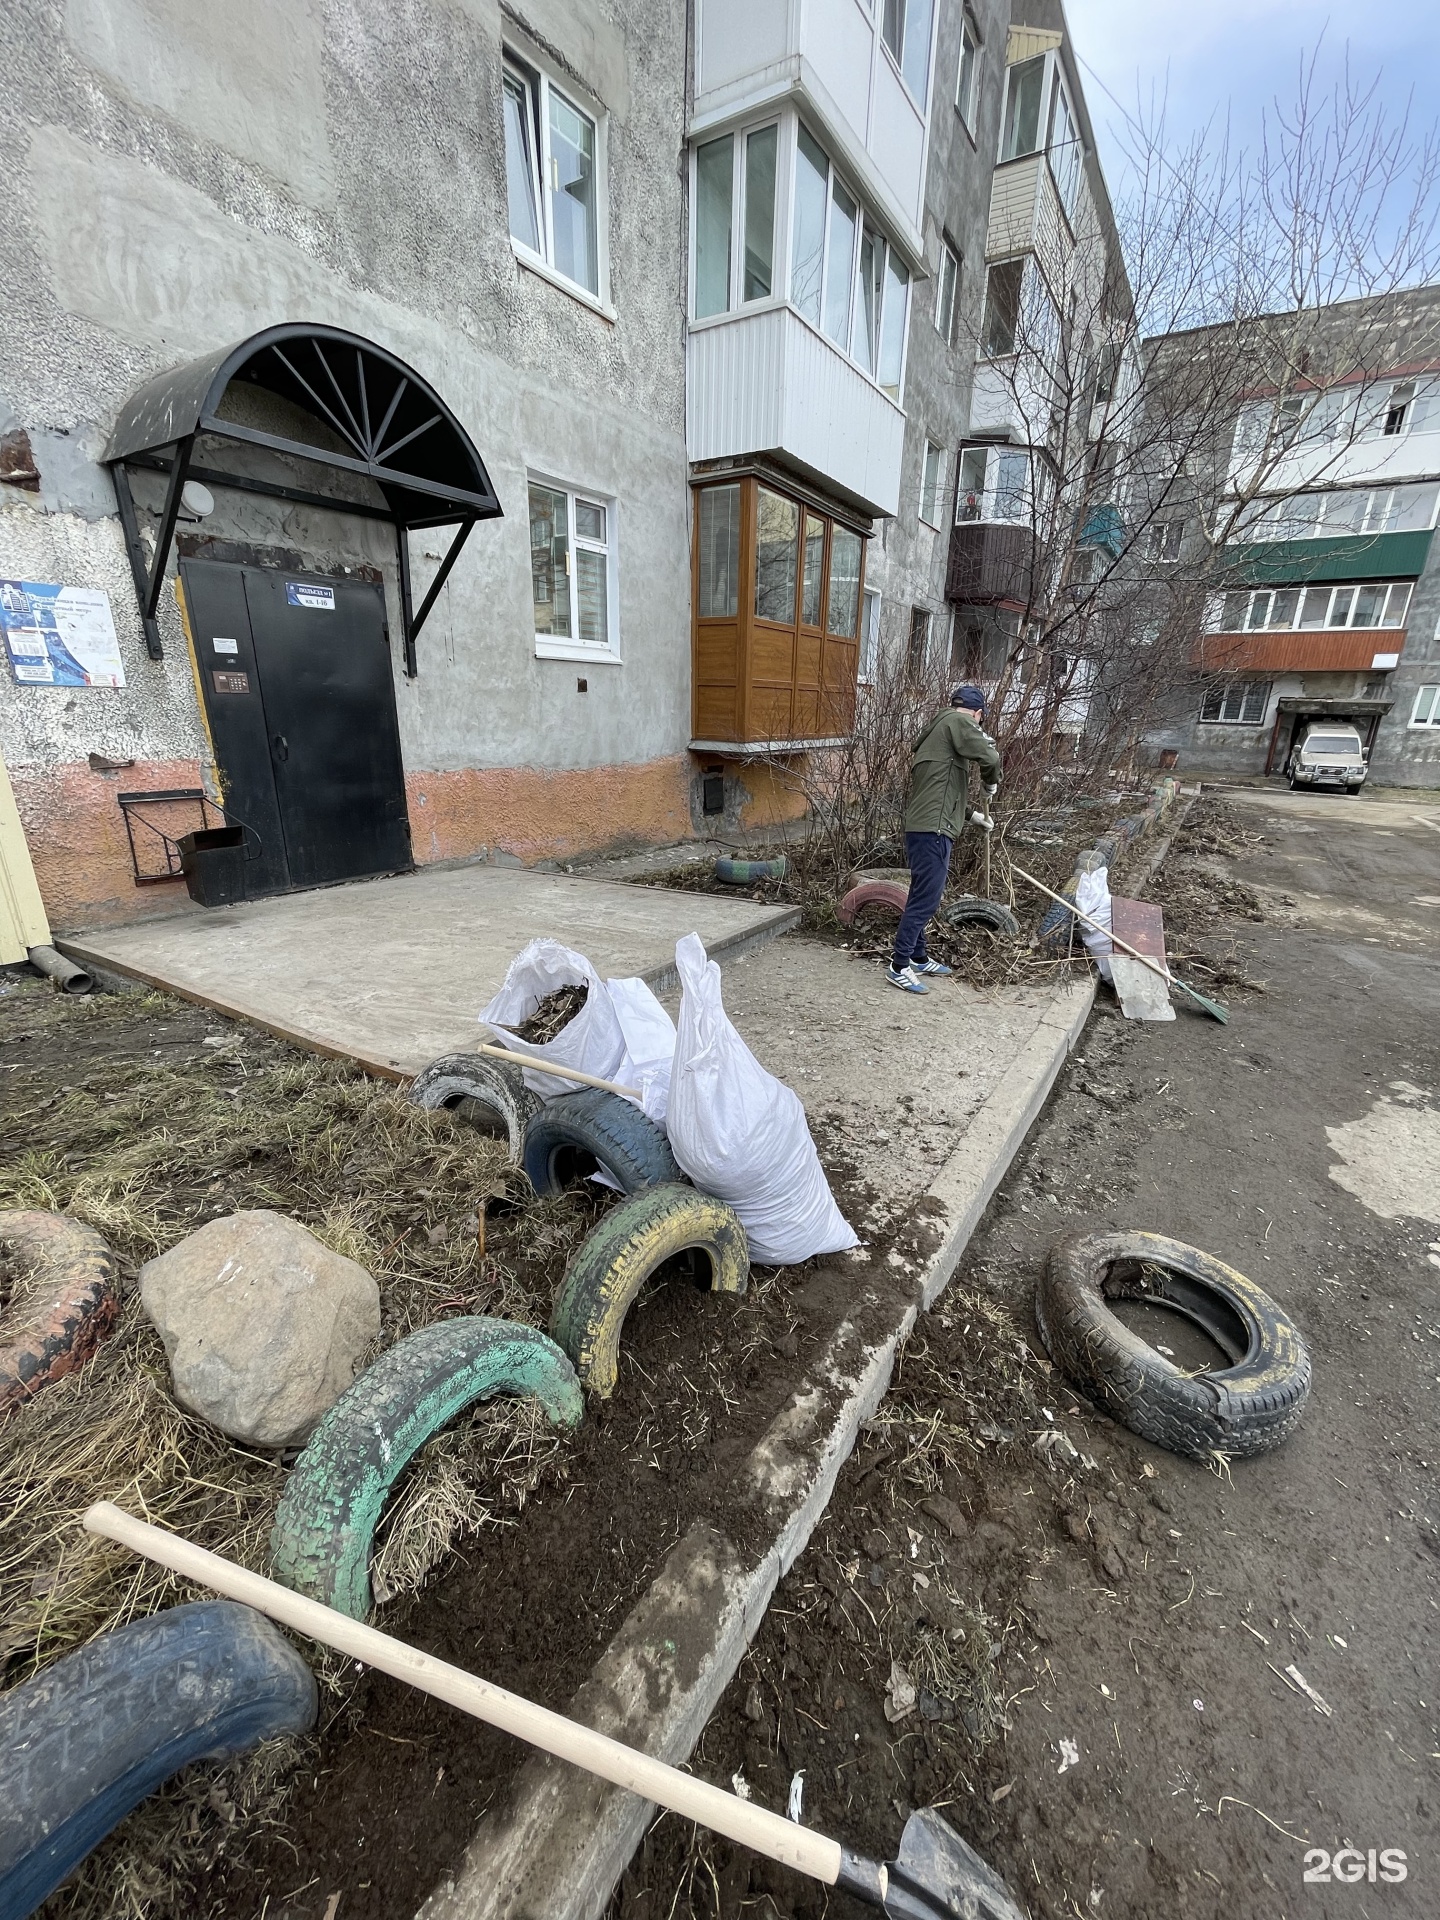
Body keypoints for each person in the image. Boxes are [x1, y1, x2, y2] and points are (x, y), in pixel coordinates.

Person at [887, 684, 1001, 994]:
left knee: (921, 893)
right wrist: (991, 784)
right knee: (927, 899)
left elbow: (941, 790)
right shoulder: (961, 722)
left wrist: (972, 815)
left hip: (924, 826)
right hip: (933, 830)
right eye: (979, 721)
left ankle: (918, 956)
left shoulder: (938, 733)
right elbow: (990, 758)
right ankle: (899, 966)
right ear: (978, 714)